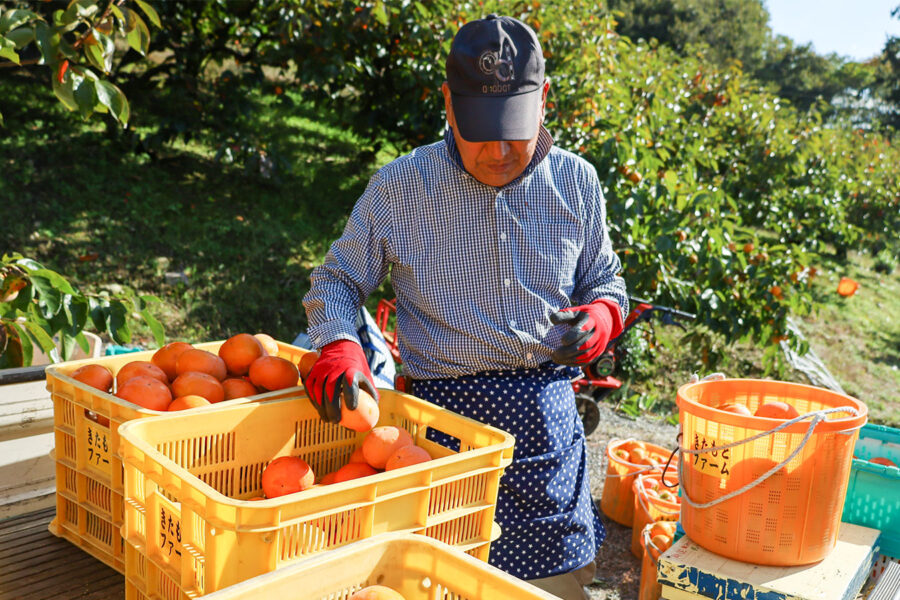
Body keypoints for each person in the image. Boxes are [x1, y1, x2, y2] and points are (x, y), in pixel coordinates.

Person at [302, 14, 627, 600]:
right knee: (439, 583)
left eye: (515, 130)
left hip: (547, 437)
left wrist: (602, 315)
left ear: (544, 100)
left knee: (553, 589)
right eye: (482, 130)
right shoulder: (401, 188)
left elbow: (604, 277)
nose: (499, 151)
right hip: (441, 439)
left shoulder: (577, 183)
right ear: (448, 103)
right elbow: (337, 280)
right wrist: (339, 344)